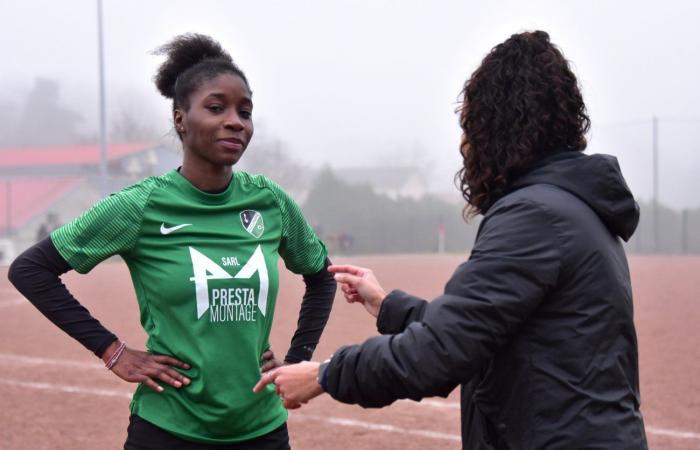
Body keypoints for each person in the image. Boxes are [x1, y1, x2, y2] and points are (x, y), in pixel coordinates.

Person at [254, 30, 648, 449]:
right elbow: (482, 326)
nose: (465, 145)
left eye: (470, 127)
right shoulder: (571, 206)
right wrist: (387, 306)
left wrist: (325, 374)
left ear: (498, 127)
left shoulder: (536, 216)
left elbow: (442, 351)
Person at [8, 33, 336, 449]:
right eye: (216, 108)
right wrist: (112, 351)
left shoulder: (269, 201)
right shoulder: (140, 206)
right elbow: (30, 270)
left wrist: (298, 359)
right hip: (167, 430)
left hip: (262, 430)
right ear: (180, 119)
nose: (236, 120)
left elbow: (321, 275)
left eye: (245, 111)